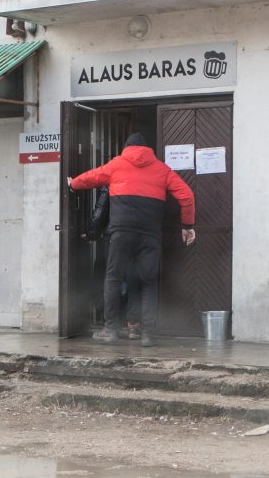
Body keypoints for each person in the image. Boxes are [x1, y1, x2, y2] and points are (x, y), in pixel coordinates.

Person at [68, 133, 195, 347]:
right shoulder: (162, 169)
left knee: (113, 279)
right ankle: (147, 334)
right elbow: (187, 195)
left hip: (121, 233)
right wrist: (187, 226)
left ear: (126, 147)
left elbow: (92, 177)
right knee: (148, 283)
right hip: (150, 235)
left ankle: (110, 330)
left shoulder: (117, 164)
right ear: (148, 149)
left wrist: (73, 185)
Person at [82, 187, 141, 338]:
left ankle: (110, 326)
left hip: (113, 237)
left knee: (111, 280)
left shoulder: (112, 179)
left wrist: (91, 233)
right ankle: (133, 326)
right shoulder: (141, 179)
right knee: (133, 279)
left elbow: (100, 211)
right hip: (138, 236)